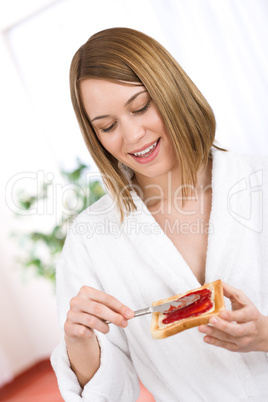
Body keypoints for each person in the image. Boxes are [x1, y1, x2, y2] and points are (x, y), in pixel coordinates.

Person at [51, 27, 268, 401]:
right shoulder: (91, 240)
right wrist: (78, 341)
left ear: (172, 91)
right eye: (108, 126)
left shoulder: (260, 182)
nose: (133, 135)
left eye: (140, 107)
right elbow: (112, 394)